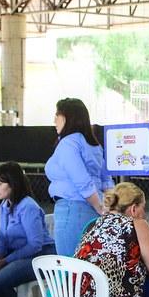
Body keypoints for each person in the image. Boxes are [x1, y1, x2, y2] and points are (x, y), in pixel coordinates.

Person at [0, 162, 55, 297]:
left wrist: (6, 260)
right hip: (17, 256)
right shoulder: (5, 205)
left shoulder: (28, 207)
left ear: (13, 183)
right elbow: (2, 238)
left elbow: (35, 245)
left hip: (40, 257)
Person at [45, 98, 112, 258]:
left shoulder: (68, 143)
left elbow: (82, 180)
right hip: (92, 211)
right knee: (88, 265)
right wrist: (108, 207)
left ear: (68, 117)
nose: (54, 120)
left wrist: (99, 207)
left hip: (71, 211)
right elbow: (107, 181)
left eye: (57, 115)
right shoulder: (94, 145)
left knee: (70, 267)